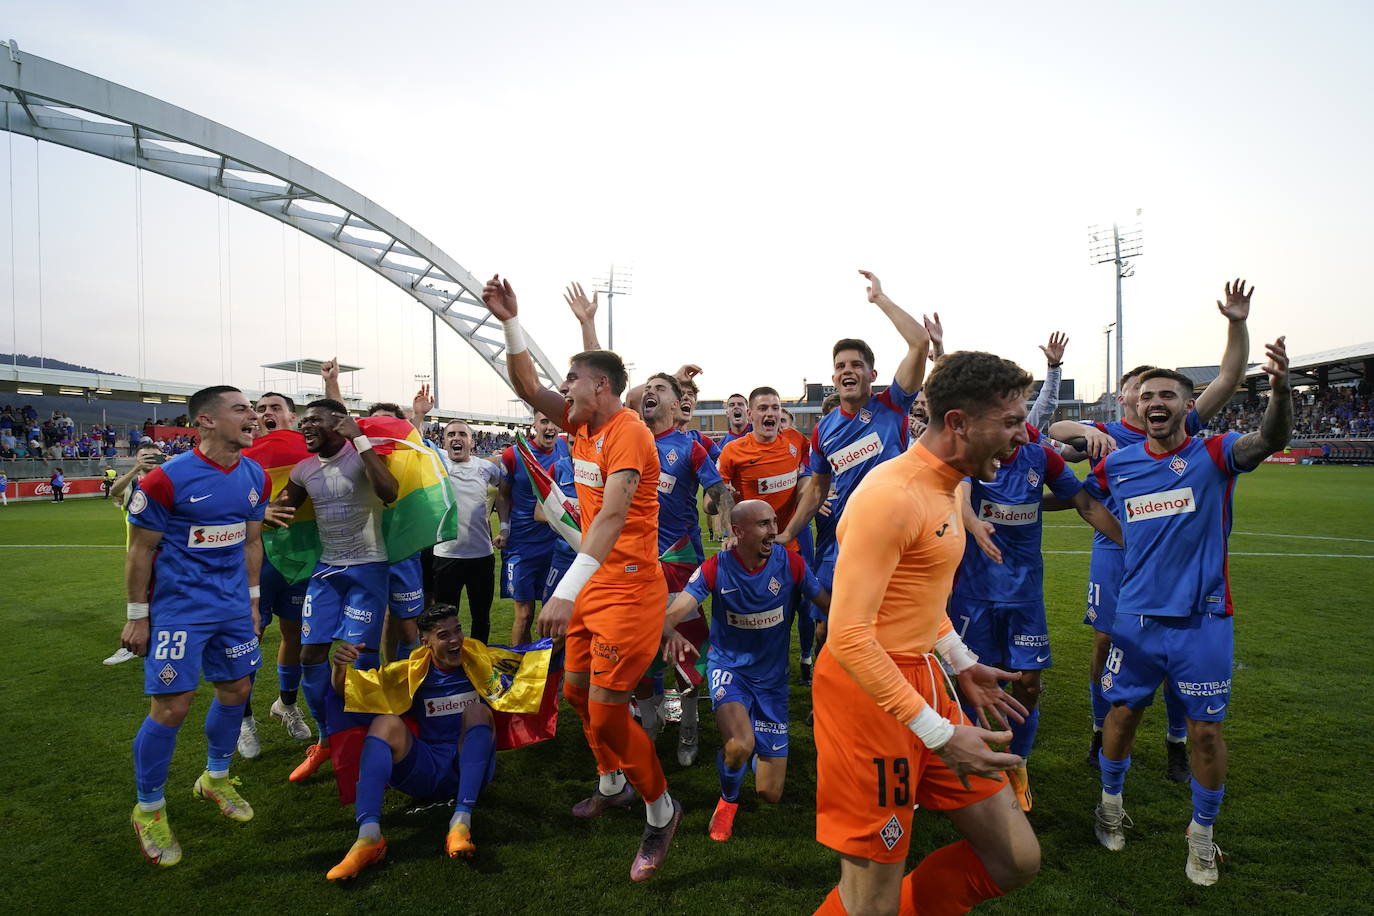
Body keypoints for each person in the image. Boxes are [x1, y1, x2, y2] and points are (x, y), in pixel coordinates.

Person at [812, 350, 1040, 916]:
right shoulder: (891, 495)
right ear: (959, 422)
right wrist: (938, 732)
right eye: (1011, 421)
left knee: (1015, 858)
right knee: (872, 905)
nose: (1024, 434)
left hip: (921, 677)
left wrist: (960, 660)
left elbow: (918, 596)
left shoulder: (948, 486)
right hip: (866, 692)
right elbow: (848, 635)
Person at [483, 273, 681, 882]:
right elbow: (525, 384)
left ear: (599, 386)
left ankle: (661, 810)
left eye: (571, 379)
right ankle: (612, 782)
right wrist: (510, 321)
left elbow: (615, 516)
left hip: (628, 590)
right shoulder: (581, 422)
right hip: (595, 582)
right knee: (574, 693)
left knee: (606, 713)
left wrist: (565, 591)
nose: (560, 388)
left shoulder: (630, 433)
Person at [1085, 338, 1291, 886]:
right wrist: (1122, 535)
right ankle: (1109, 803)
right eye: (1147, 394)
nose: (1156, 401)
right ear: (1135, 406)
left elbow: (1272, 438)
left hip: (1204, 623)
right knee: (1122, 717)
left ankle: (1201, 836)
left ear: (1186, 404)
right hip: (1135, 623)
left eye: (1168, 395)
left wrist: (1280, 391)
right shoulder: (1120, 463)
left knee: (1204, 734)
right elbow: (1080, 496)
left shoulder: (1216, 452)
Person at [1048, 279, 1255, 777]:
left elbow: (1226, 380)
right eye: (1137, 392)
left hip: (1173, 558)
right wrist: (1087, 430)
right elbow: (1059, 446)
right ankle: (1103, 730)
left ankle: (1176, 739)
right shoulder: (1112, 439)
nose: (1145, 401)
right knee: (1107, 644)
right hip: (1115, 555)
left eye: (1158, 392)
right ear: (1126, 400)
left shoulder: (1187, 430)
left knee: (1175, 647)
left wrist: (1236, 323)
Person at [121, 385, 269, 867]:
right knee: (172, 706)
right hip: (180, 610)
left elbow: (250, 543)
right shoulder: (166, 480)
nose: (254, 415)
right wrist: (137, 617)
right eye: (242, 409)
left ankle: (216, 778)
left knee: (236, 689)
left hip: (231, 606)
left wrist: (251, 601)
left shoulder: (255, 476)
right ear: (205, 421)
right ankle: (148, 810)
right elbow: (140, 550)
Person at [950, 415, 1123, 812]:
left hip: (1025, 596)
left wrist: (1132, 546)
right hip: (973, 595)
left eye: (1018, 426)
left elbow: (1086, 504)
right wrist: (974, 524)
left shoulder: (1042, 459)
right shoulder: (972, 457)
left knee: (1028, 684)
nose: (1011, 434)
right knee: (969, 686)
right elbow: (957, 498)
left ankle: (1017, 765)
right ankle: (975, 764)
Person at [780, 271, 930, 683]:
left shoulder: (893, 406)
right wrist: (787, 533)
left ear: (871, 374)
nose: (848, 371)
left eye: (856, 365)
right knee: (830, 629)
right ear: (833, 378)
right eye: (841, 366)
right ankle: (831, 703)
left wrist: (879, 299)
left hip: (889, 539)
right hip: (837, 543)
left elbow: (919, 343)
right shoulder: (823, 429)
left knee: (886, 631)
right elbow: (815, 491)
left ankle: (887, 706)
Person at [662, 499, 830, 842]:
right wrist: (672, 632)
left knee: (770, 793)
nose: (773, 532)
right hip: (729, 670)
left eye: (773, 523)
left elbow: (829, 603)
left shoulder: (792, 564)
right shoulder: (716, 567)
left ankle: (745, 756)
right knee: (740, 743)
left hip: (772, 683)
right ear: (737, 532)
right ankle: (728, 800)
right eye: (764, 525)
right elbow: (670, 615)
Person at [270, 399, 399, 783]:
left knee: (357, 660)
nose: (306, 426)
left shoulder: (360, 456)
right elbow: (280, 513)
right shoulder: (303, 469)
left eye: (314, 420)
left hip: (368, 569)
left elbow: (389, 492)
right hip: (327, 571)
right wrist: (260, 513)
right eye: (303, 421)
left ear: (338, 422)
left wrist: (360, 441)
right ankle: (327, 740)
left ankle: (363, 737)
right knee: (311, 653)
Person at [324, 604, 496, 880]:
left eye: (458, 630)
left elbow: (530, 669)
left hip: (472, 770)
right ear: (425, 642)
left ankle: (461, 821)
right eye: (444, 635)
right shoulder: (411, 671)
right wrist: (340, 667)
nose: (455, 640)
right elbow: (350, 691)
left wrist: (558, 642)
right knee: (385, 723)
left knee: (477, 711)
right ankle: (369, 837)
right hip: (426, 770)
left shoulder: (480, 659)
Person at [635, 370, 727, 765]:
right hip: (635, 565)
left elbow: (720, 491)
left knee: (685, 651)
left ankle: (688, 730)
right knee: (641, 653)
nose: (649, 394)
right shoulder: (629, 440)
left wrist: (730, 530)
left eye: (660, 390)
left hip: (678, 562)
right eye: (647, 389)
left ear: (676, 404)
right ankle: (650, 731)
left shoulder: (689, 448)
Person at [241, 392, 314, 755]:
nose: (266, 413)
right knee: (249, 635)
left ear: (292, 415)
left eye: (275, 408)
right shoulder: (243, 457)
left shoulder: (310, 452)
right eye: (262, 409)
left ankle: (286, 705)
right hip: (256, 558)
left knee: (294, 634)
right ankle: (244, 721)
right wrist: (258, 514)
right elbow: (219, 508)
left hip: (300, 556)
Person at [431, 419, 506, 644]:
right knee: (443, 619)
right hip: (446, 555)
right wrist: (418, 414)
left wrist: (504, 527)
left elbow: (504, 493)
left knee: (481, 617)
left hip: (481, 556)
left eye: (462, 434)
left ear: (471, 441)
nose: (456, 438)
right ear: (443, 441)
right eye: (451, 434)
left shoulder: (485, 468)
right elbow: (413, 441)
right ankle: (447, 663)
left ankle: (479, 663)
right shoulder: (437, 463)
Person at [499, 411, 570, 645]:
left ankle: (549, 671)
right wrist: (504, 528)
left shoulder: (564, 446)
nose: (550, 427)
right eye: (544, 421)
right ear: (534, 425)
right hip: (521, 546)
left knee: (554, 614)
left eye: (554, 421)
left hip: (554, 546)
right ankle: (520, 670)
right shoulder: (515, 454)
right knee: (524, 614)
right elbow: (502, 494)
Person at [715, 387, 812, 554]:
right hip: (749, 548)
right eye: (762, 408)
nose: (770, 413)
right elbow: (713, 498)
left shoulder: (795, 439)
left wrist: (809, 481)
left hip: (787, 546)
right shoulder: (732, 450)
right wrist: (729, 529)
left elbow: (817, 453)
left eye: (775, 408)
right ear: (750, 414)